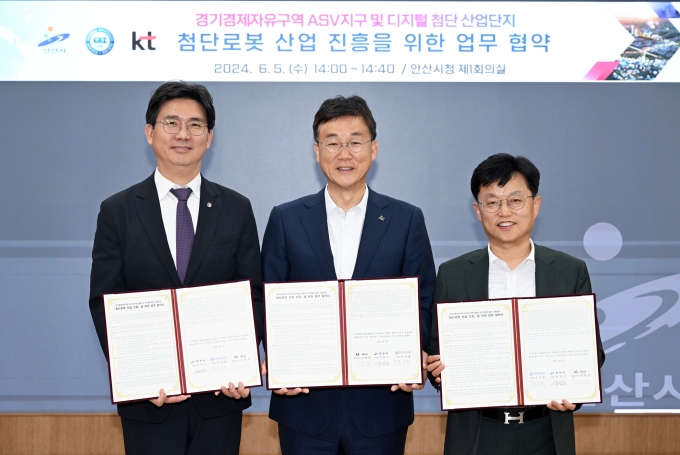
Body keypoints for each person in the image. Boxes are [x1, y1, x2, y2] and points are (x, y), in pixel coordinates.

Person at [88, 81, 263, 455]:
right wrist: (139, 378)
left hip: (219, 399)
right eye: (172, 123)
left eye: (195, 125)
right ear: (150, 132)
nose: (184, 134)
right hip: (149, 402)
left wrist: (243, 364)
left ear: (209, 137)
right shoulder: (117, 211)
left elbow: (254, 295)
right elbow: (104, 302)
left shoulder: (236, 208)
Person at [261, 95, 436, 454]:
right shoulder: (286, 219)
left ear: (373, 149)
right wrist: (279, 361)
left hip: (381, 406)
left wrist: (411, 356)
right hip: (303, 407)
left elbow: (423, 300)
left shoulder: (406, 219)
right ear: (317, 151)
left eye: (355, 142)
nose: (345, 154)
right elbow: (267, 299)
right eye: (332, 143)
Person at [427, 153, 605, 455]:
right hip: (477, 433)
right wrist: (439, 371)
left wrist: (575, 391)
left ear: (535, 205)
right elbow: (436, 353)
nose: (504, 211)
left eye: (515, 200)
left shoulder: (569, 271)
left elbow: (591, 353)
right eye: (492, 202)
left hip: (546, 432)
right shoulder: (453, 274)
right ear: (478, 211)